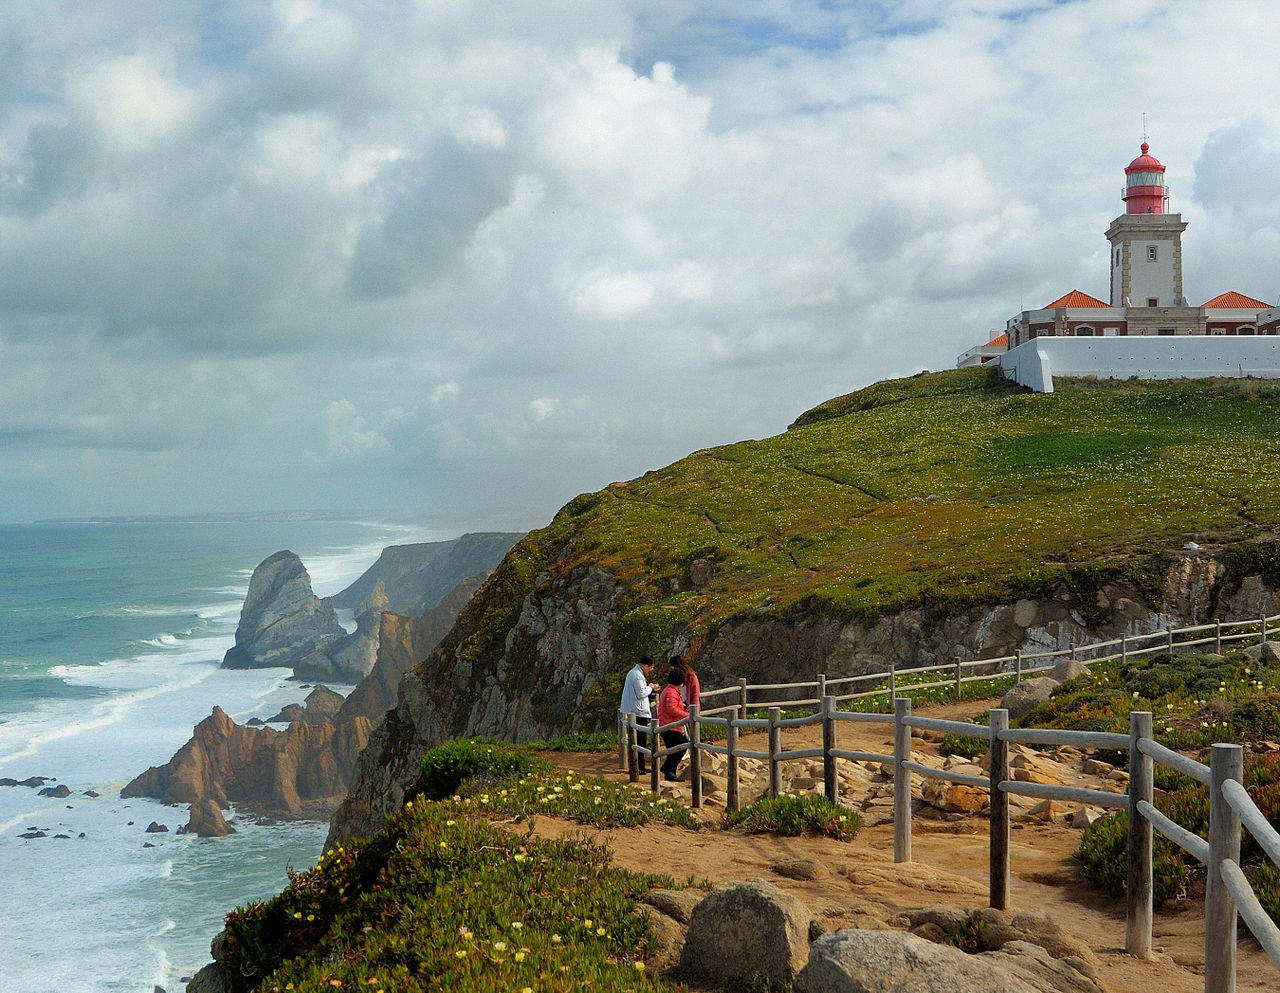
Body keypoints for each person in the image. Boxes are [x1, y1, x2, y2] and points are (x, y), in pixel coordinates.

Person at [619, 655, 658, 774]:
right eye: (650, 667)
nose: (651, 670)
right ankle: (638, 766)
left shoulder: (633, 673)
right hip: (638, 712)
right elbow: (641, 694)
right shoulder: (638, 676)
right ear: (645, 665)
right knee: (640, 741)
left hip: (633, 710)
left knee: (638, 740)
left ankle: (640, 765)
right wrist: (650, 688)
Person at [657, 667, 689, 782]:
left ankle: (670, 773)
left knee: (674, 749)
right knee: (680, 747)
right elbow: (671, 709)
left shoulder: (669, 690)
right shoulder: (671, 692)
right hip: (670, 726)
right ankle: (668, 769)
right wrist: (687, 715)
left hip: (668, 724)